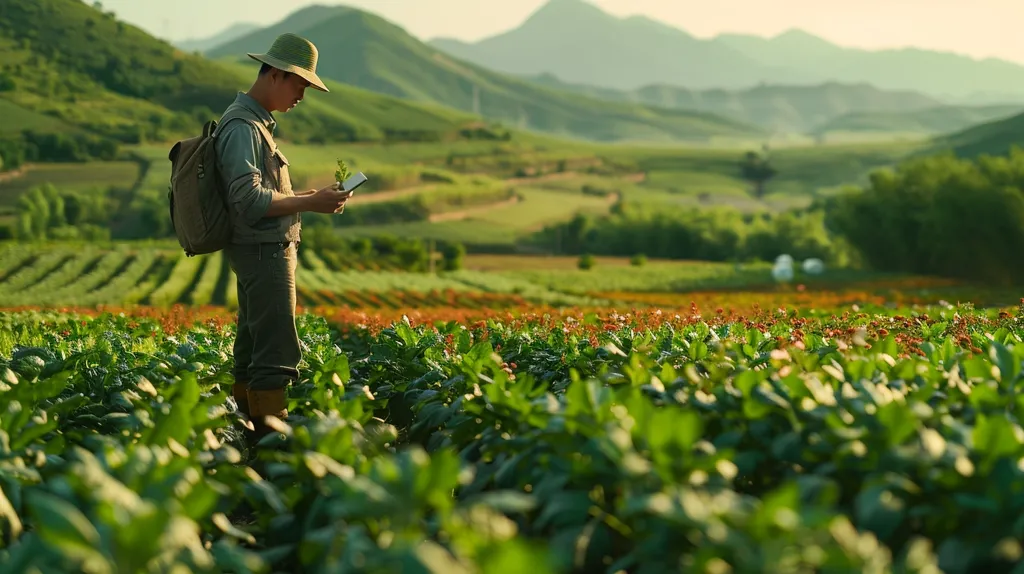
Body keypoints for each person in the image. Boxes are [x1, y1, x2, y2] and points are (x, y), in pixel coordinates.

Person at [213, 33, 350, 444]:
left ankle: (247, 443)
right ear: (275, 74)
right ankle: (271, 455)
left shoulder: (253, 123)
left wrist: (309, 197)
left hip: (261, 251)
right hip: (264, 253)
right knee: (275, 355)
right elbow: (249, 201)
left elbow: (260, 194)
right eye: (300, 84)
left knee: (253, 349)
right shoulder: (243, 127)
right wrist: (309, 205)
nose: (302, 96)